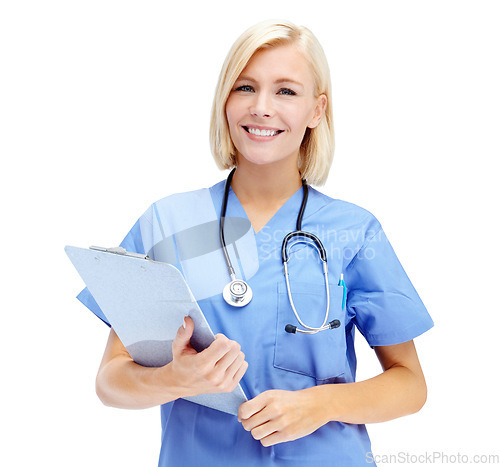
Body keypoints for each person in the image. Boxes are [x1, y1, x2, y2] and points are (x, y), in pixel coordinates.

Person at [77, 19, 433, 466]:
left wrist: (320, 405)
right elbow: (111, 381)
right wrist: (175, 379)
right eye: (245, 87)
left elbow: (410, 384)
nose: (262, 107)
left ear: (317, 110)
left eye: (286, 91)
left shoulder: (353, 230)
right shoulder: (167, 223)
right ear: (225, 101)